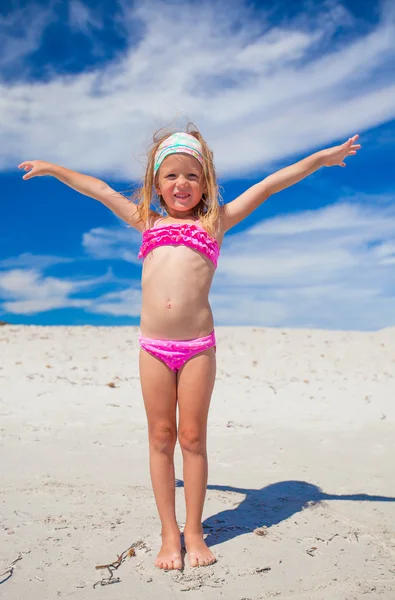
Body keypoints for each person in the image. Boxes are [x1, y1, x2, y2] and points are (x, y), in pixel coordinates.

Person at [18, 126, 361, 570]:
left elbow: (272, 183)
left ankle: (194, 532)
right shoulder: (148, 221)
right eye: (171, 176)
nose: (182, 184)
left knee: (193, 437)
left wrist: (320, 159)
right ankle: (168, 534)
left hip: (198, 347)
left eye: (192, 176)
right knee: (161, 437)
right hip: (153, 347)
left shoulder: (214, 223)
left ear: (207, 183)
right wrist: (51, 169)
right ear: (156, 185)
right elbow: (98, 188)